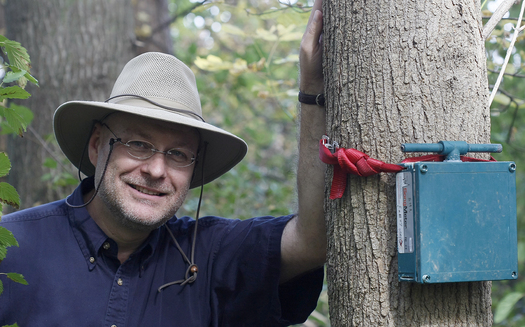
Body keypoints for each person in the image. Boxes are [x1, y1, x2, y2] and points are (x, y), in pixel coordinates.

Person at [0, 1, 326, 325]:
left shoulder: (210, 256)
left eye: (178, 155)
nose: (156, 171)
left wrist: (312, 90)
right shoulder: (12, 248)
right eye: (138, 144)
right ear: (98, 145)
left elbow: (312, 241)